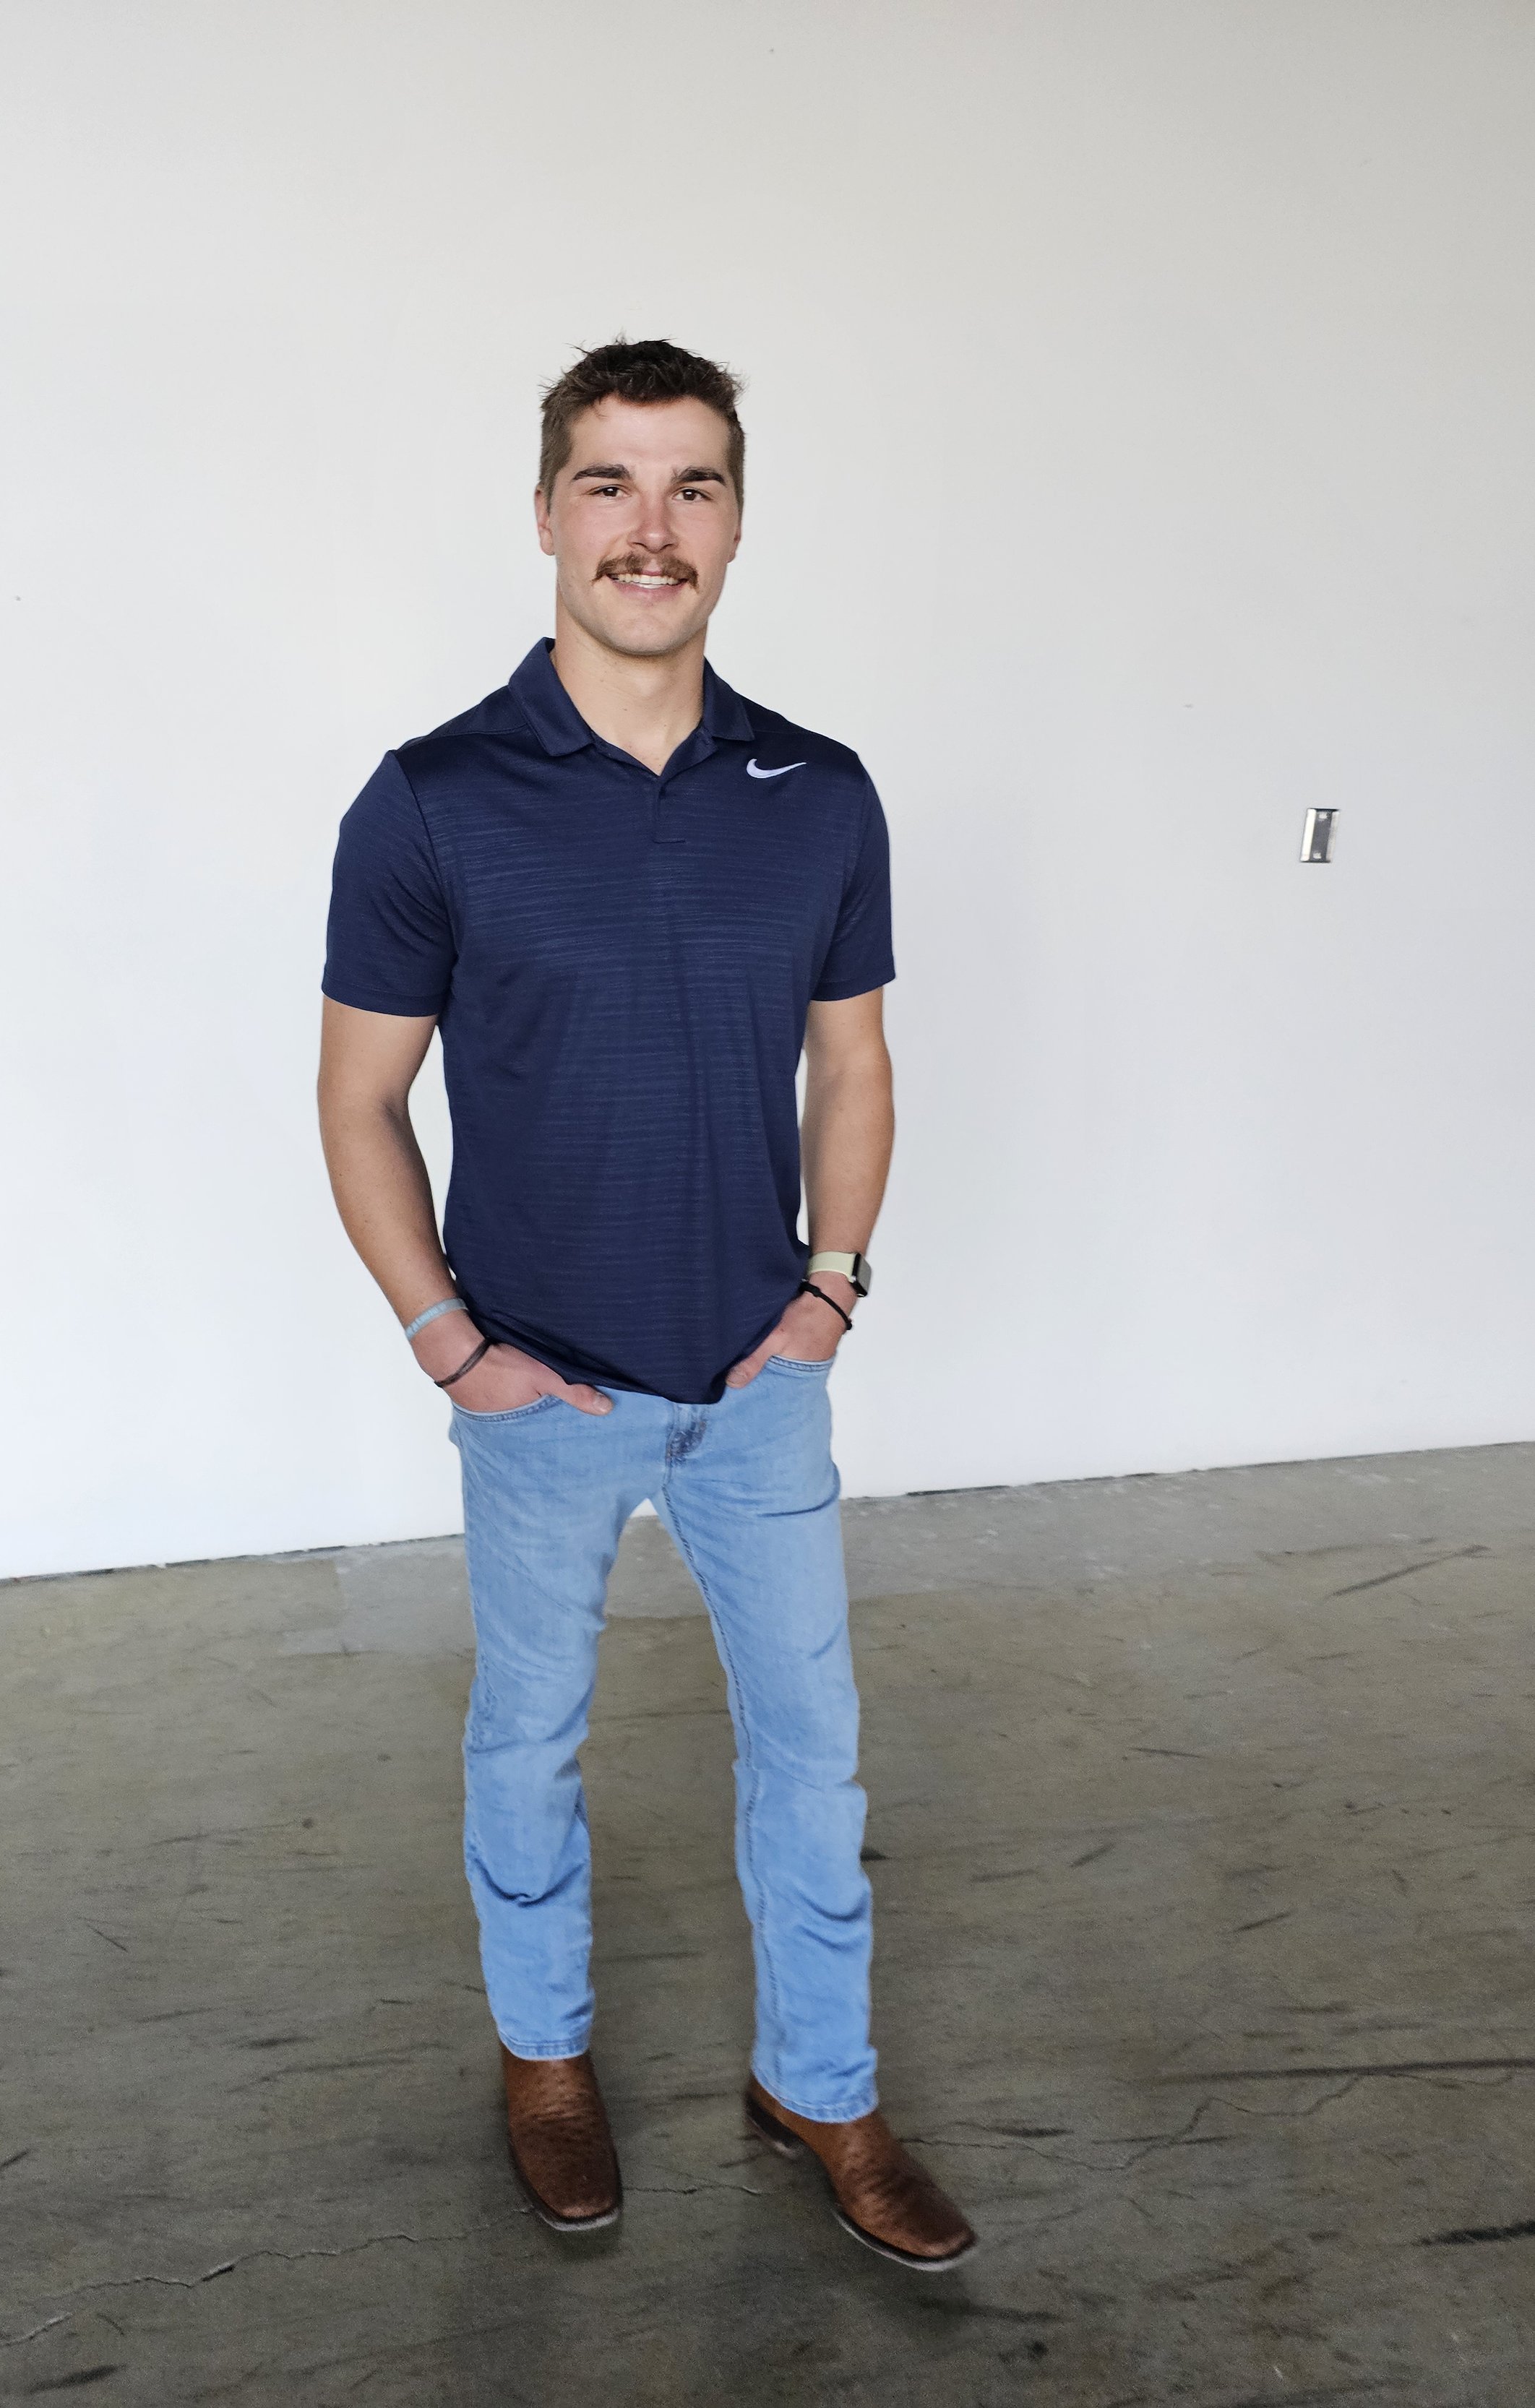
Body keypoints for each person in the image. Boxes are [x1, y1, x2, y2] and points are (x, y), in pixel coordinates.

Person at [317, 339, 976, 2270]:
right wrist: (453, 1344)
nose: (649, 527)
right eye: (609, 484)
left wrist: (829, 1293)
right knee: (528, 1739)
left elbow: (850, 1067)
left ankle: (821, 2085)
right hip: (544, 1391)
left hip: (756, 1379)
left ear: (737, 522)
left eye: (690, 487)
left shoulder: (817, 794)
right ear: (545, 515)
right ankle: (543, 2060)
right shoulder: (431, 800)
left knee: (813, 1749)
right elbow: (359, 1101)